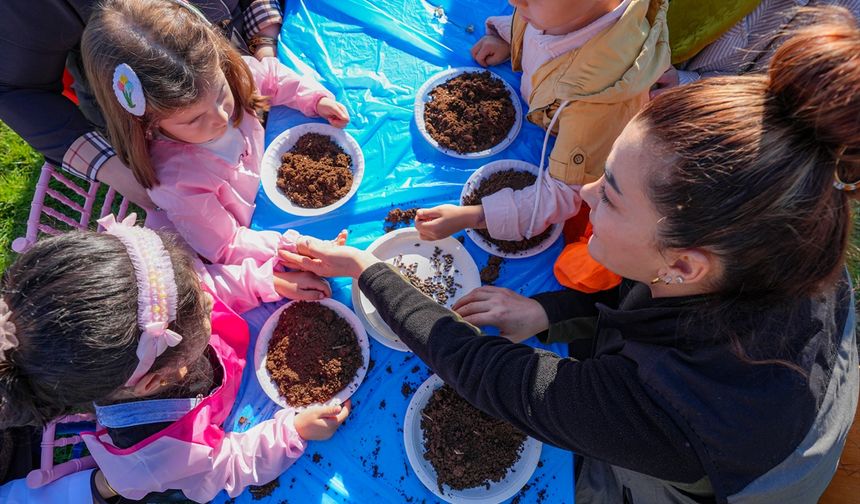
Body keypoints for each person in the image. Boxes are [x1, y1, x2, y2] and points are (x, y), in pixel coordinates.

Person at [287, 6, 860, 502]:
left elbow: (490, 375)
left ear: (683, 264)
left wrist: (370, 272)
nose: (583, 196)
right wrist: (549, 313)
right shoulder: (786, 234)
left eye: (608, 195)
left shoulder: (668, 413)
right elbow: (641, 291)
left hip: (719, 479)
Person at [0, 216, 351, 502]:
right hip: (225, 425)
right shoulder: (156, 455)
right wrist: (292, 431)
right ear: (158, 379)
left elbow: (210, 284)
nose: (209, 301)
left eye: (194, 294)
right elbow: (226, 466)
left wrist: (267, 283)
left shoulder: (154, 309)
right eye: (201, 311)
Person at [81, 0, 349, 283]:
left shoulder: (222, 77)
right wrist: (295, 247)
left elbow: (269, 77)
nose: (221, 116)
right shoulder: (177, 182)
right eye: (194, 120)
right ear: (146, 122)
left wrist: (314, 99)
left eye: (222, 94)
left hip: (266, 195)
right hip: (246, 238)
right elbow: (228, 245)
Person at [415, 0, 670, 294]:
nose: (513, 2)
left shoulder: (599, 103)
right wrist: (507, 37)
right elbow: (535, 25)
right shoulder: (556, 13)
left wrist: (476, 216)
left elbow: (563, 192)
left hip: (575, 153)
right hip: (547, 103)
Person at [0, 0, 286, 210]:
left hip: (230, 60)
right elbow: (16, 90)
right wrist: (117, 170)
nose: (222, 117)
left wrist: (264, 43)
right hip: (152, 115)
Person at [651, 0, 860, 97]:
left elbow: (777, 92)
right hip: (634, 37)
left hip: (681, 105)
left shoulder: (851, 19)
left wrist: (686, 84)